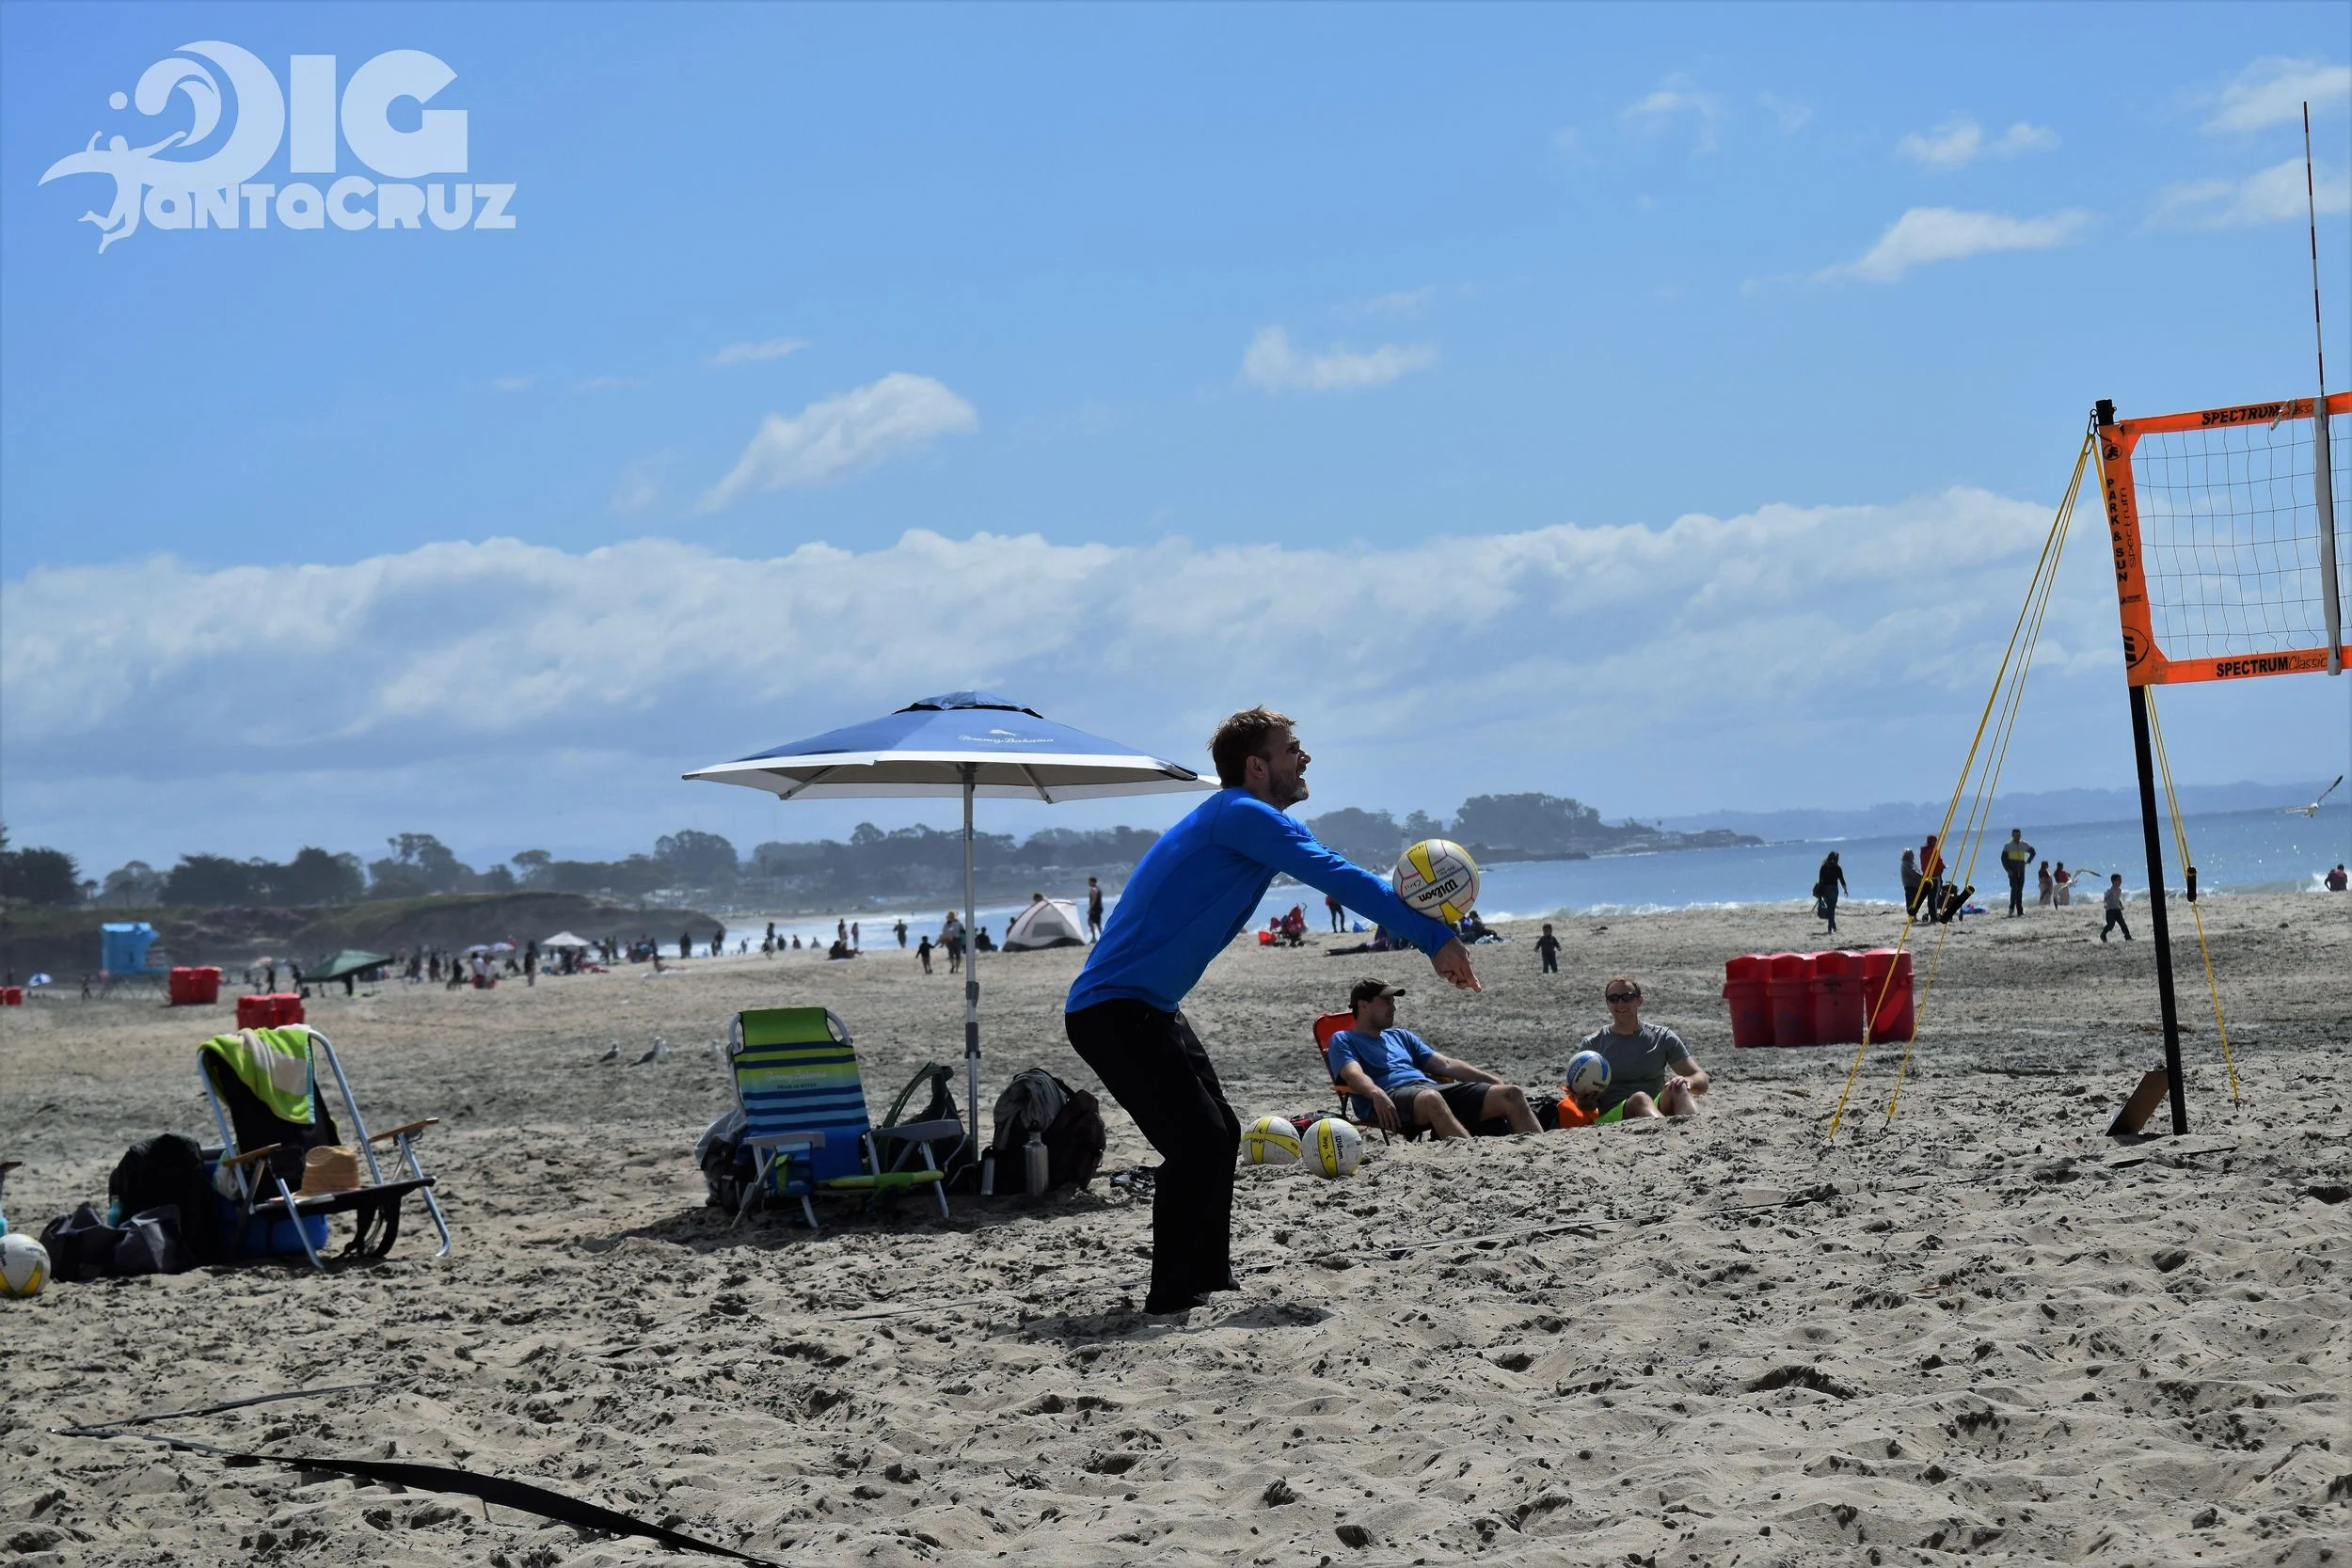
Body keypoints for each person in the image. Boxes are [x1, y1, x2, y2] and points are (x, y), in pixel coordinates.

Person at [1063, 705, 1477, 1315]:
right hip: (1111, 1010)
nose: (1304, 757)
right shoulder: (1242, 814)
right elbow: (1336, 873)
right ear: (1256, 767)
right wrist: (1433, 936)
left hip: (1150, 1006)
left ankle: (1210, 1276)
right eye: (1292, 749)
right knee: (1196, 1140)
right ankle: (1172, 1295)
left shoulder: (1243, 819)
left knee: (1221, 1132)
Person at [1327, 978, 1537, 1138]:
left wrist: (1492, 1080)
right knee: (1431, 1099)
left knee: (1512, 1094)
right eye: (1386, 1002)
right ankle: (1471, 1155)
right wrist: (1376, 1093)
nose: (1394, 1007)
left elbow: (1445, 1064)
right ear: (1363, 1006)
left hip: (1429, 1089)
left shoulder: (1400, 1036)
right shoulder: (1344, 1039)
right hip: (1389, 1097)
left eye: (1393, 1002)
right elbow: (1353, 1074)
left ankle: (1542, 1155)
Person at [1575, 975, 1708, 1118]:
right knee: (1640, 1099)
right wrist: (1585, 1102)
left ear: (1639, 1001)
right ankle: (1664, 1132)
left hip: (1656, 1107)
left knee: (1679, 1087)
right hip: (1612, 1115)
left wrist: (1689, 1081)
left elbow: (1702, 1080)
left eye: (1627, 997)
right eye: (1613, 999)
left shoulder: (1662, 1037)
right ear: (1607, 1003)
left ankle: (1694, 1134)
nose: (1620, 1003)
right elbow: (1582, 1104)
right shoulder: (1592, 1045)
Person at [1999, 830, 2037, 917]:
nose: (2017, 837)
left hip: (2021, 871)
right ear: (2012, 836)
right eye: (2015, 835)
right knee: (2014, 889)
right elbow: (2003, 860)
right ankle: (2011, 909)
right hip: (2012, 872)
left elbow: (2033, 852)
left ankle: (2020, 911)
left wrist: (2028, 861)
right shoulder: (2008, 846)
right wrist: (2008, 870)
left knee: (2020, 891)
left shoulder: (2023, 845)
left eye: (2019, 835)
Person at [1814, 850, 1848, 935]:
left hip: (1825, 890)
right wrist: (1845, 890)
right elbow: (1842, 880)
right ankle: (1830, 927)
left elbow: (1820, 880)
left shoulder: (1824, 867)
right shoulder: (1838, 868)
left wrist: (1820, 891)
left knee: (1830, 909)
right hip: (1833, 889)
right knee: (1831, 909)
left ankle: (1833, 926)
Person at [2100, 874, 2132, 942]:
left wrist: (2121, 905)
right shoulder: (2109, 891)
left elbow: (2117, 899)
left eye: (2121, 880)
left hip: (2117, 910)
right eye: (2119, 880)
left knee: (2123, 924)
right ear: (2113, 881)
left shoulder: (2119, 890)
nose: (2120, 881)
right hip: (2110, 911)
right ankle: (2103, 935)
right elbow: (2105, 898)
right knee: (2110, 925)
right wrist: (2105, 904)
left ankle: (2128, 937)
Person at [1899, 849, 1921, 916]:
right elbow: (1913, 873)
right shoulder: (1905, 864)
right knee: (1911, 902)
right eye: (1911, 854)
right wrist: (1922, 877)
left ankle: (1914, 916)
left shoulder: (1911, 863)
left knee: (1915, 902)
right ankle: (1911, 916)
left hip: (1915, 886)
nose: (1913, 856)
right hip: (1910, 886)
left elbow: (1917, 871)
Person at [1088, 878, 1106, 942]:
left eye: (1089, 882)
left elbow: (1093, 900)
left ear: (1093, 882)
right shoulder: (1098, 889)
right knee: (1097, 923)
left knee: (1091, 922)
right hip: (1098, 908)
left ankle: (1095, 938)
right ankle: (1101, 937)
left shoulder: (1094, 889)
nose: (1089, 883)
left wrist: (1090, 909)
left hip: (1095, 909)